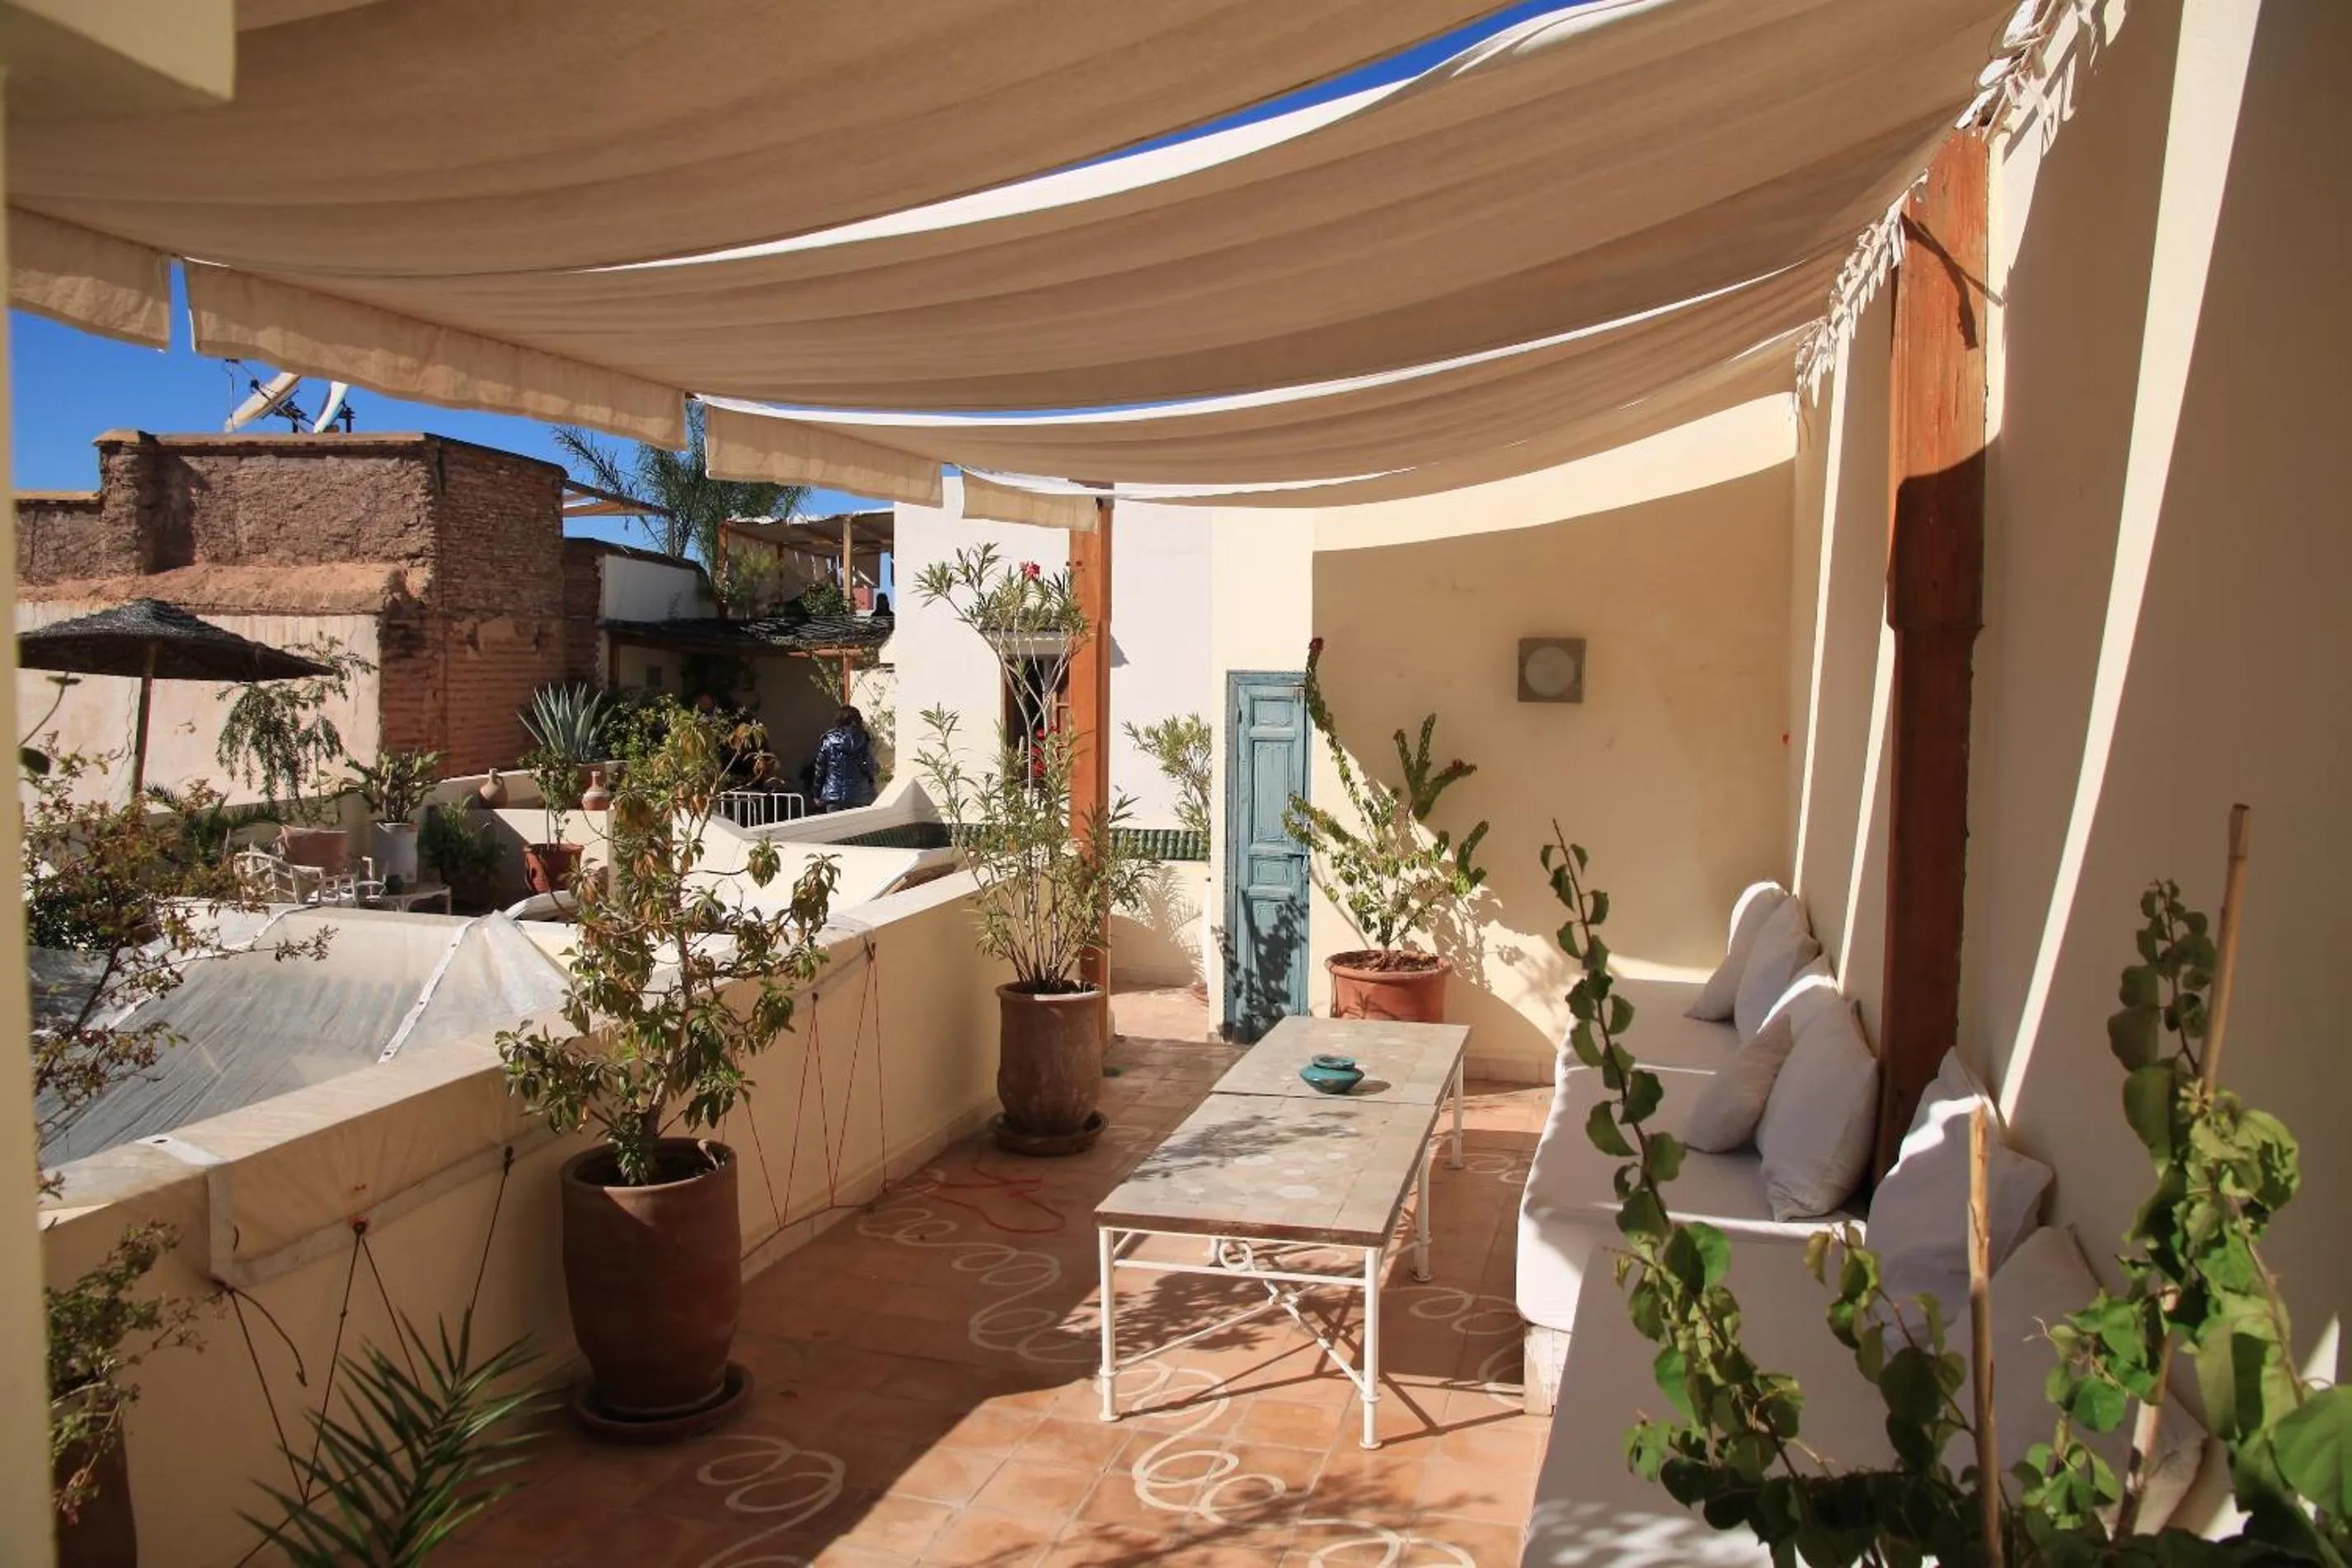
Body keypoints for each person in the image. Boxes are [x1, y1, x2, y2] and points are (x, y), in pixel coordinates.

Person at [811, 706, 878, 813]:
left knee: (835, 828)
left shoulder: (828, 741)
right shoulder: (863, 740)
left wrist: (816, 793)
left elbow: (820, 770)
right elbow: (869, 767)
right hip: (861, 795)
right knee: (860, 828)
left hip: (834, 796)